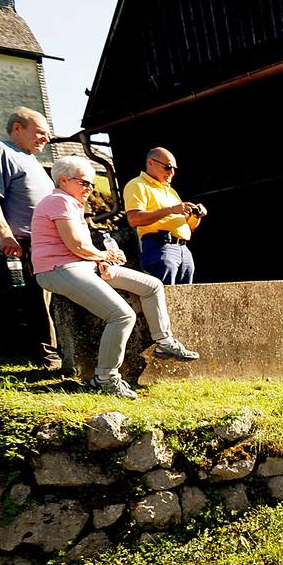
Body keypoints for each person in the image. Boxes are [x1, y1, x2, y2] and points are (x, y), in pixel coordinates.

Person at [31, 156, 201, 400]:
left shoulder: (70, 203)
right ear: (63, 180)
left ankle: (164, 343)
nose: (90, 188)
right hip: (59, 269)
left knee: (152, 285)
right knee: (121, 315)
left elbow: (80, 249)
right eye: (84, 183)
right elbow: (76, 244)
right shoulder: (58, 201)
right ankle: (105, 377)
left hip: (80, 265)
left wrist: (100, 261)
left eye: (91, 184)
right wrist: (104, 255)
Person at [0, 106, 60, 369]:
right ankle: (47, 357)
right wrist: (5, 234)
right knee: (34, 299)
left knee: (48, 298)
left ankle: (57, 351)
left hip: (46, 242)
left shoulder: (31, 160)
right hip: (21, 242)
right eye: (40, 133)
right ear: (17, 128)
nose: (45, 139)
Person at [123, 147, 206, 284]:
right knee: (165, 295)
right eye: (167, 167)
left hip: (183, 248)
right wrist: (171, 210)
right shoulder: (137, 185)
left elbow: (190, 227)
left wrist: (197, 215)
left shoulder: (170, 191)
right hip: (160, 246)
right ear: (151, 163)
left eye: (174, 168)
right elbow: (134, 219)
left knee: (187, 297)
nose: (171, 172)